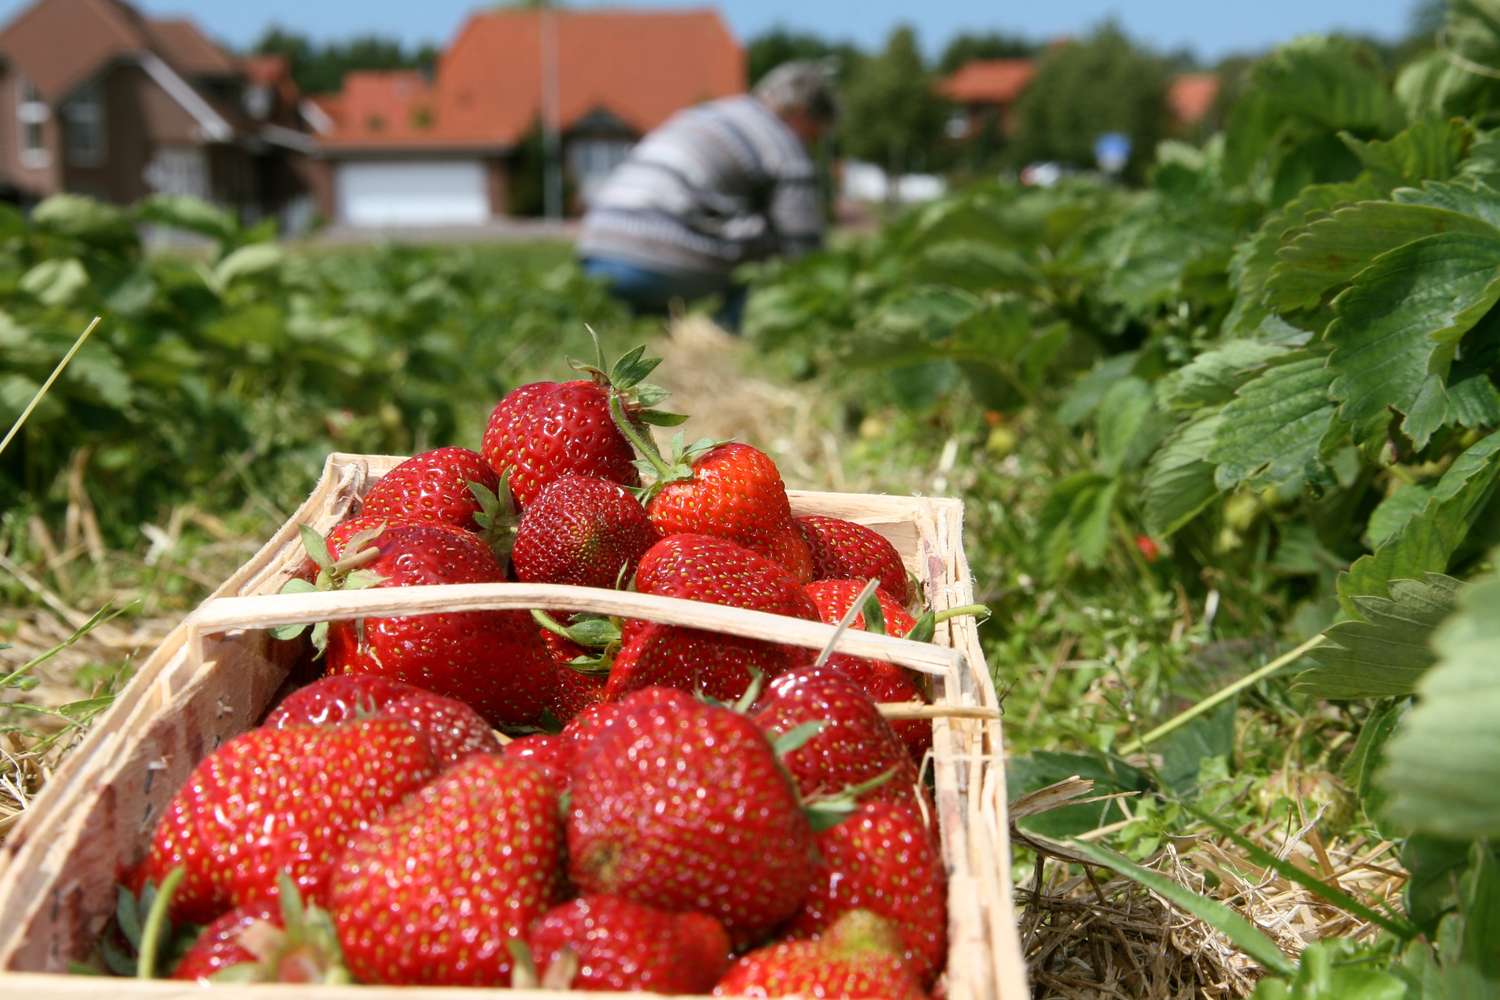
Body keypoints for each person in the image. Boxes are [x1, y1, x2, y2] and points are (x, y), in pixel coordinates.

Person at [577, 60, 837, 331]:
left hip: (596, 251)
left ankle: (656, 324)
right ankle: (729, 328)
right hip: (659, 262)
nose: (812, 144)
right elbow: (804, 246)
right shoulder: (783, 142)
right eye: (815, 134)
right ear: (802, 114)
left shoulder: (709, 113)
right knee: (771, 250)